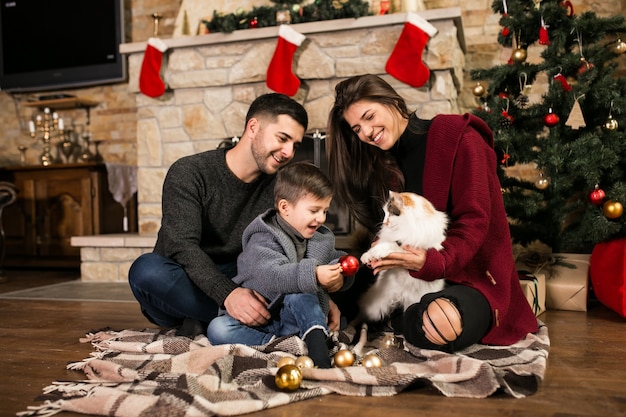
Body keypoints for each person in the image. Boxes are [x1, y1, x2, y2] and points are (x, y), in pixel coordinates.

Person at [326, 74, 538, 352]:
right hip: (407, 280)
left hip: (467, 279)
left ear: (392, 101)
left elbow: (474, 222)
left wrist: (431, 262)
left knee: (440, 320)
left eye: (369, 116)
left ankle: (406, 319)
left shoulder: (459, 138)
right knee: (334, 290)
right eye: (356, 129)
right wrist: (386, 245)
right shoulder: (380, 164)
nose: (366, 132)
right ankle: (399, 317)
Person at [128, 93, 311, 338]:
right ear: (253, 127)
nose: (288, 152)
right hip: (181, 282)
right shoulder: (190, 172)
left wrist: (319, 295)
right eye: (283, 138)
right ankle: (257, 320)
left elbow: (297, 247)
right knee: (147, 271)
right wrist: (228, 295)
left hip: (241, 279)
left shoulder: (281, 187)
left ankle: (208, 320)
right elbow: (181, 247)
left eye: (295, 145)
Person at [207, 161, 352, 368]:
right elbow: (272, 274)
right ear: (285, 207)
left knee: (302, 291)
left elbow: (334, 257)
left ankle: (317, 346)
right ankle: (285, 345)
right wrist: (315, 275)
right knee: (217, 329)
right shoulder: (263, 237)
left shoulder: (320, 238)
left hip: (297, 315)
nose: (321, 218)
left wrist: (342, 272)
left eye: (325, 211)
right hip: (260, 322)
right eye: (314, 211)